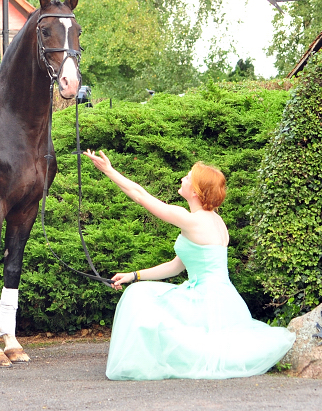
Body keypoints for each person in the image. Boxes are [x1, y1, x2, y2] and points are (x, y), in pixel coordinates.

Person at [83, 149, 295, 381]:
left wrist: (108, 170)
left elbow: (140, 195)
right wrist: (133, 275)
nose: (182, 179)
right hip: (223, 299)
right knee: (140, 291)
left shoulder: (192, 220)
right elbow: (176, 267)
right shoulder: (215, 220)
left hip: (205, 299)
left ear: (195, 191)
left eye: (187, 177)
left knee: (138, 298)